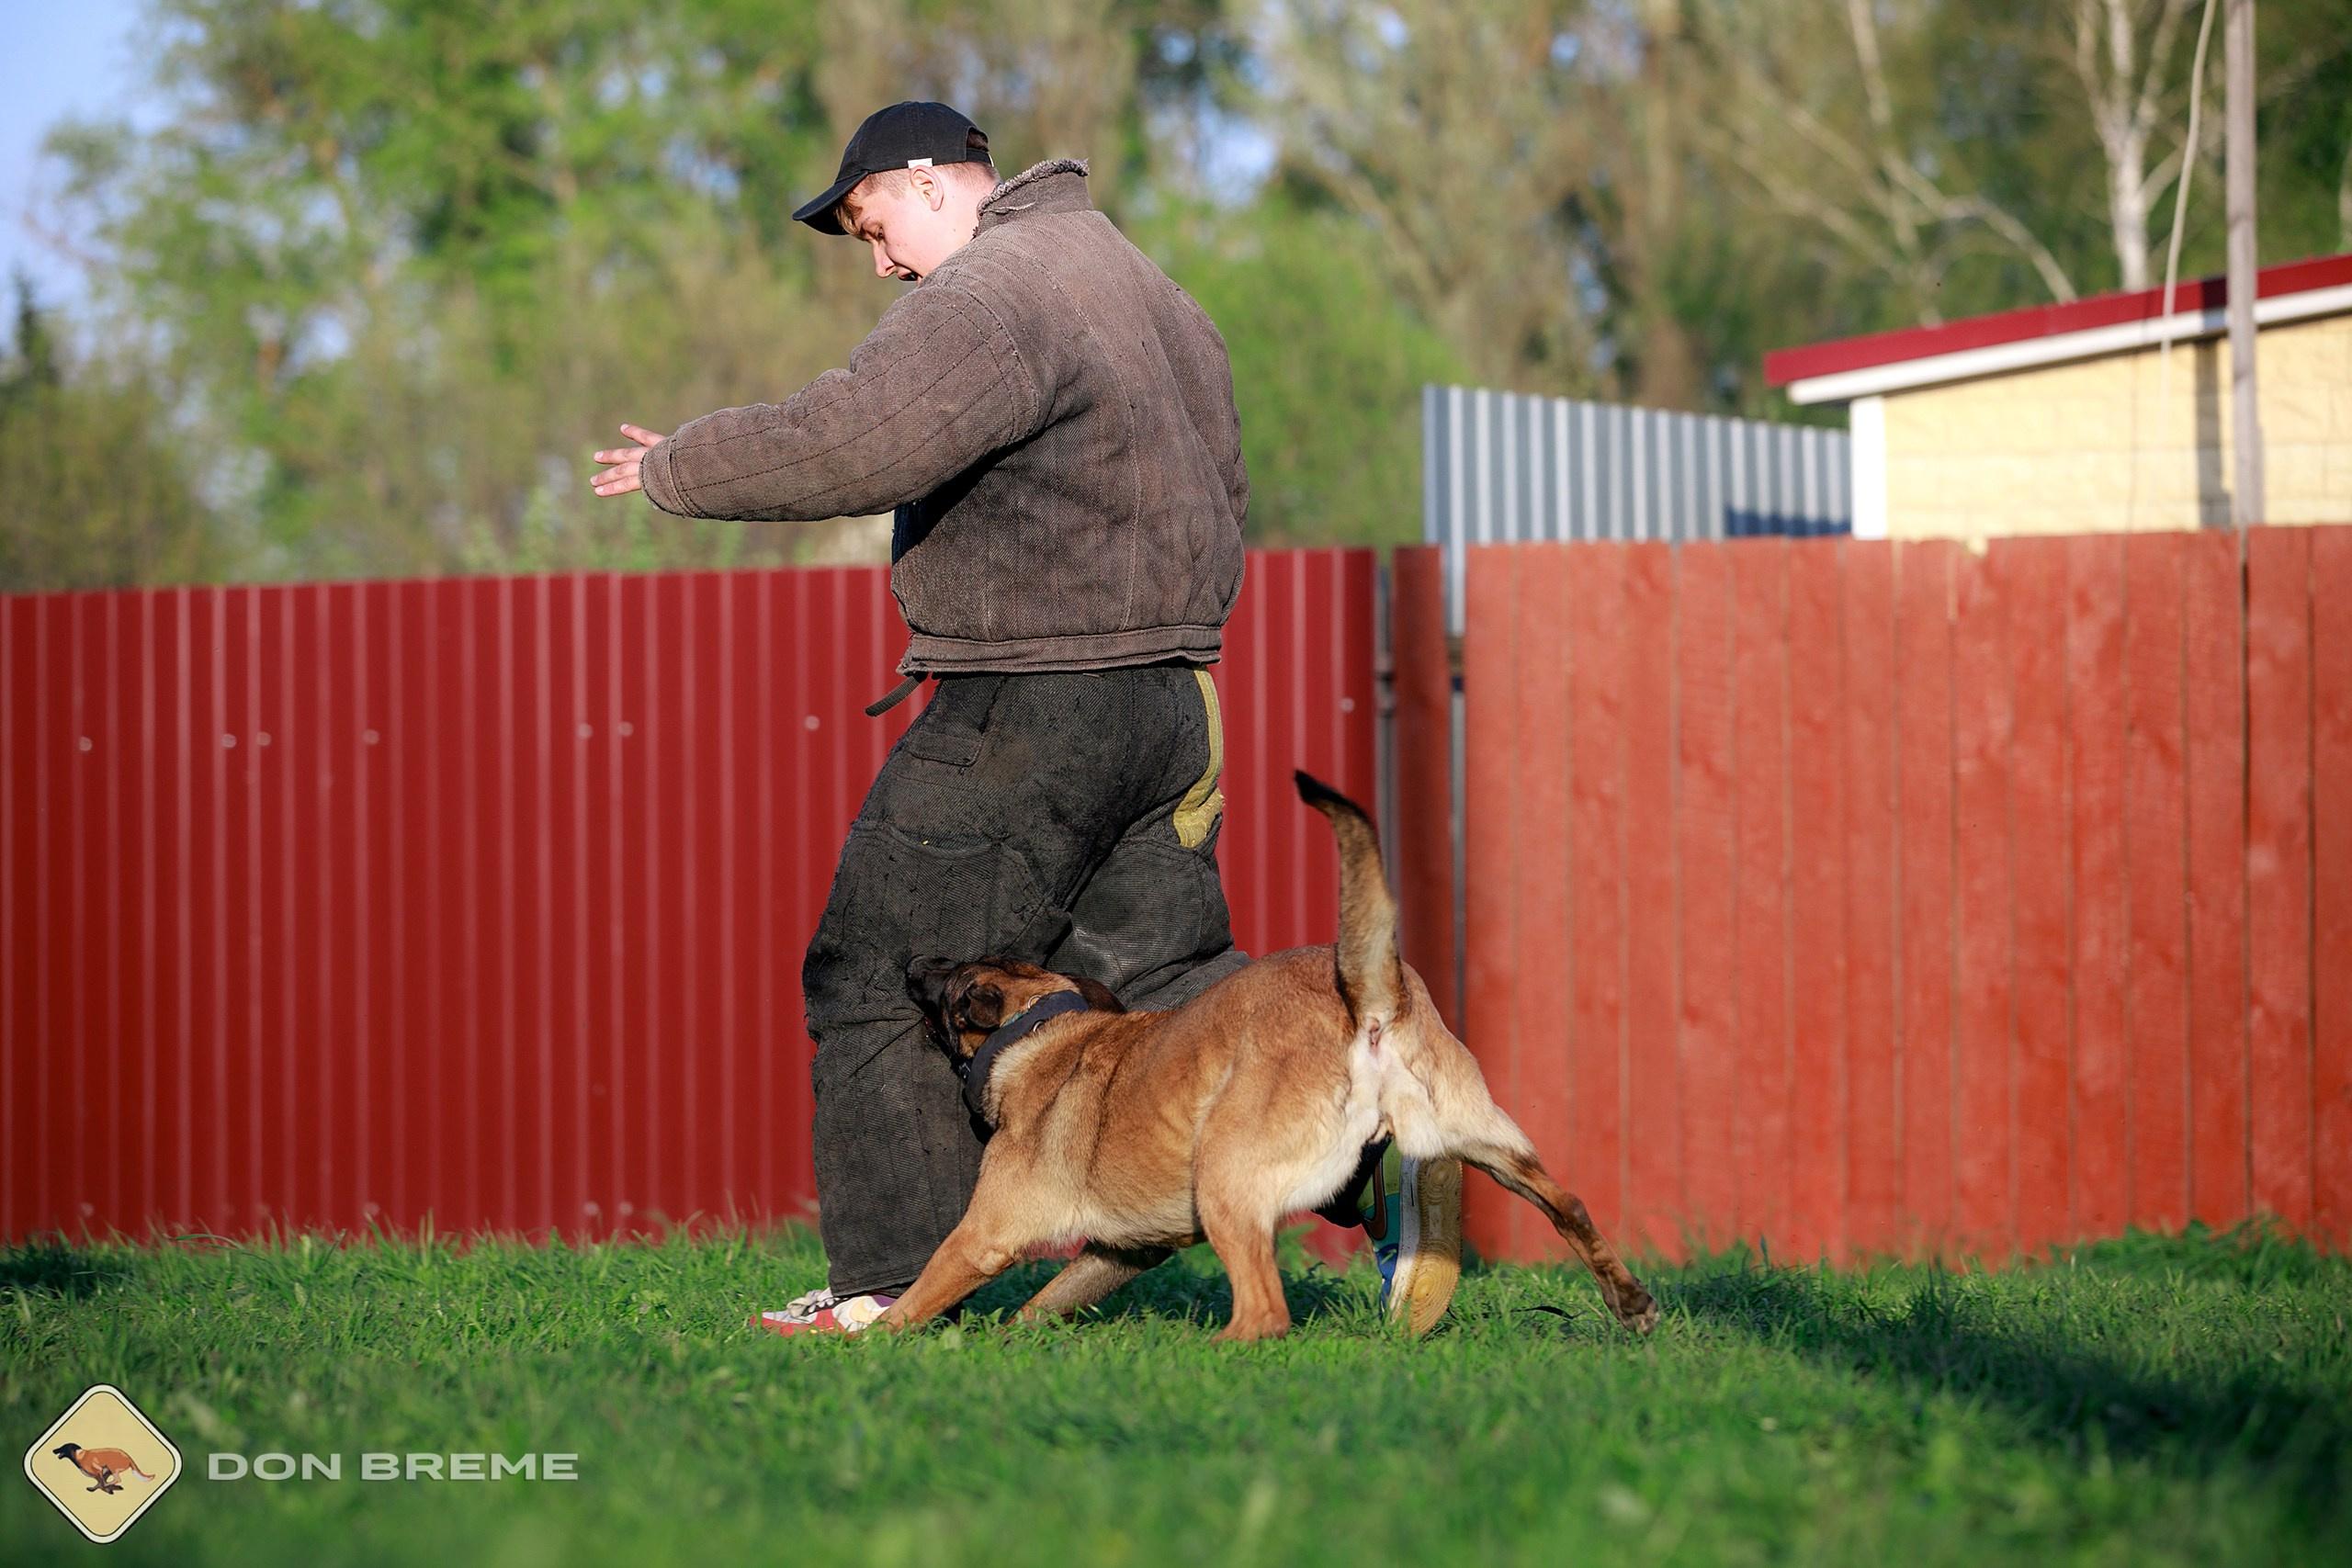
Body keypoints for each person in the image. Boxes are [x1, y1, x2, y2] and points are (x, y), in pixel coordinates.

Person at [590, 100, 1460, 1335]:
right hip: (1176, 703)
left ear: (928, 182)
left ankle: (891, 1293)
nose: (878, 258)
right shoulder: (1154, 291)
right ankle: (1385, 1163)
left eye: (870, 223)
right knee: (1162, 984)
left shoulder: (997, 290)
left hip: (1035, 699)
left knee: (882, 975)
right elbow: (1228, 489)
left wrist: (681, 467)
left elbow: (862, 439)